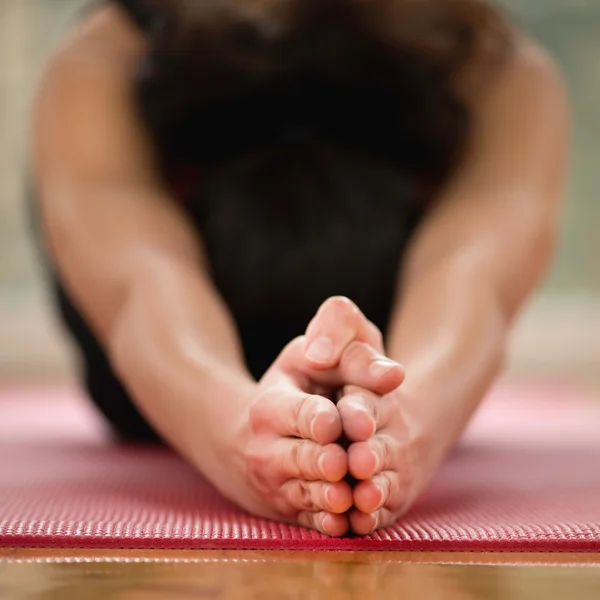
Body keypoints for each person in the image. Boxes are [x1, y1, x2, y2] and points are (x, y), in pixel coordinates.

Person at [29, 0, 569, 537]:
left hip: (402, 361)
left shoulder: (502, 72)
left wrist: (407, 428)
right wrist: (238, 433)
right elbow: (138, 281)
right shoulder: (103, 59)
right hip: (155, 387)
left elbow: (473, 274)